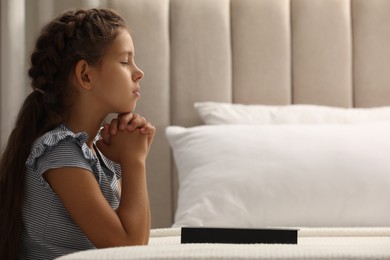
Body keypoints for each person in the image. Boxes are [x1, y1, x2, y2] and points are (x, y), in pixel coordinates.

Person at [0, 8, 155, 260]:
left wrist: (127, 158)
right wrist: (134, 161)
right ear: (85, 75)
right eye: (125, 61)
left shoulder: (95, 154)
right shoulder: (60, 153)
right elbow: (129, 249)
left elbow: (139, 239)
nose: (139, 72)